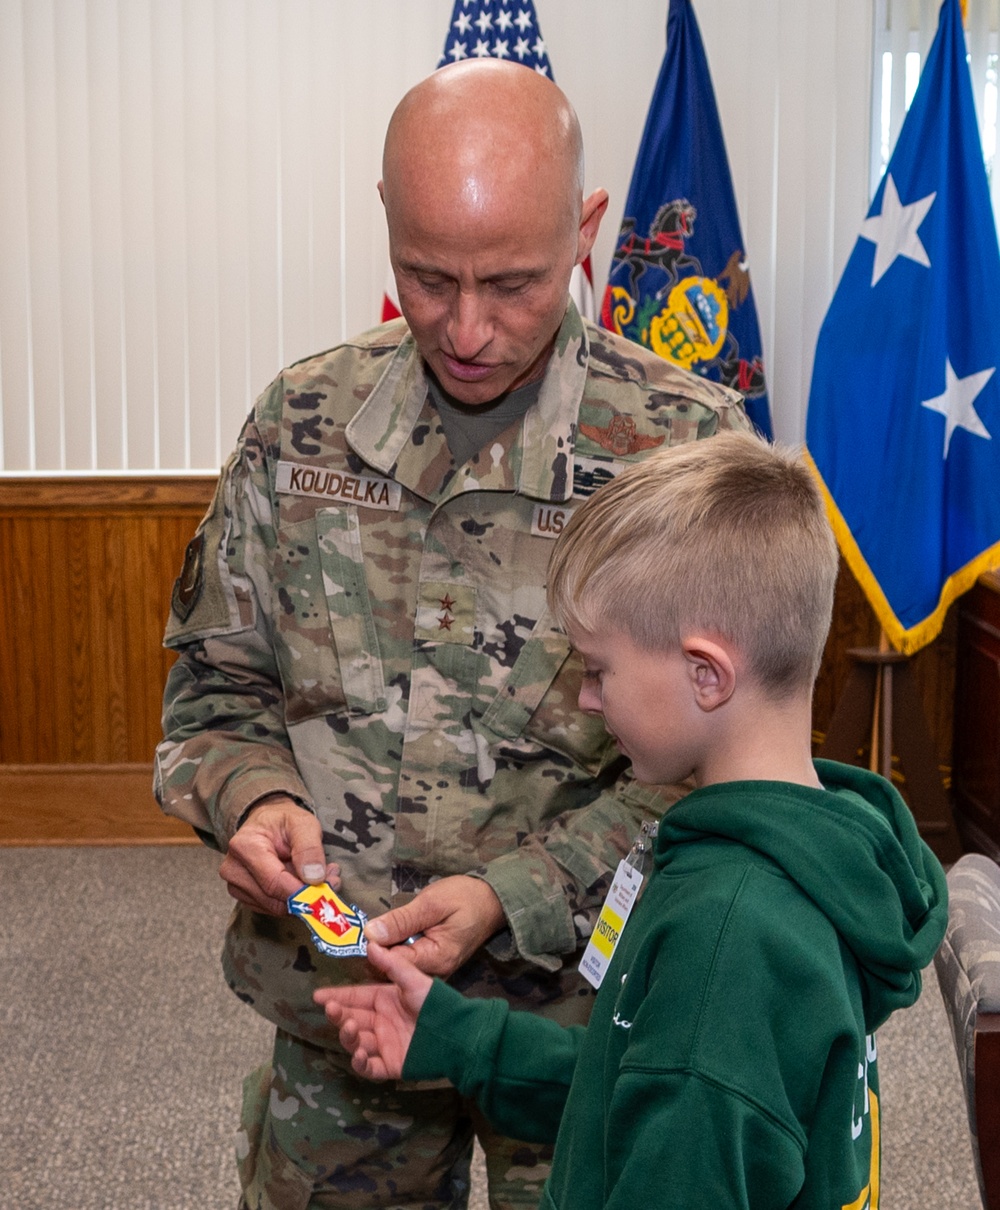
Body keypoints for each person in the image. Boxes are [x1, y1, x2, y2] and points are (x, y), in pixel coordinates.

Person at [155, 59, 750, 1210]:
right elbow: (215, 690)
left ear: (586, 231)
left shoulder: (685, 452)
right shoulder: (301, 425)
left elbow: (732, 770)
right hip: (344, 1013)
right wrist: (249, 799)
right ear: (386, 215)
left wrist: (514, 891)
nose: (467, 326)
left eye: (514, 283)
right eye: (426, 277)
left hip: (588, 1028)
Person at [315, 432, 949, 1210]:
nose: (585, 697)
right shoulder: (817, 857)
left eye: (598, 667)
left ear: (704, 673)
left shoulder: (727, 937)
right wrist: (463, 1040)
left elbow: (688, 1088)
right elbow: (651, 1078)